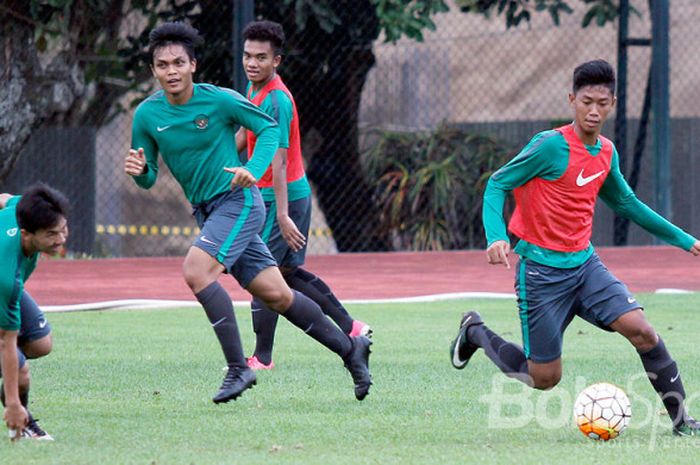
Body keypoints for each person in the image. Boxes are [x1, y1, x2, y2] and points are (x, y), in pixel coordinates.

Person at [449, 59, 700, 436]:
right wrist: (496, 235)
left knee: (643, 331)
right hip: (540, 274)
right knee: (544, 378)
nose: (594, 110)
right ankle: (476, 332)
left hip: (585, 267)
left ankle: (683, 423)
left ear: (612, 103)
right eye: (586, 101)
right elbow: (497, 183)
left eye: (602, 102)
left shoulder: (606, 153)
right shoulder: (549, 146)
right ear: (572, 100)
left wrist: (686, 240)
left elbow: (628, 203)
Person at [125, 21, 372, 403]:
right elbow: (150, 174)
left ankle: (239, 369)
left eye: (178, 62)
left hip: (238, 202)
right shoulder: (146, 115)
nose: (170, 71)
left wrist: (253, 171)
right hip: (207, 211)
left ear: (193, 65)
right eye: (162, 65)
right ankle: (349, 350)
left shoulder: (220, 99)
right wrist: (142, 173)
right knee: (277, 295)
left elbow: (270, 129)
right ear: (154, 70)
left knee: (196, 270)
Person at [234, 20, 371, 371]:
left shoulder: (277, 99)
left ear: (276, 61)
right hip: (276, 196)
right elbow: (243, 136)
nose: (252, 63)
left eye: (261, 58)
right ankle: (352, 327)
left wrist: (281, 215)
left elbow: (278, 161)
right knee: (289, 274)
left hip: (283, 198)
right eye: (247, 55)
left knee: (262, 276)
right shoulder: (254, 89)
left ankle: (262, 358)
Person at [0, 183, 69, 440]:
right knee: (20, 371)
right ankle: (23, 419)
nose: (61, 239)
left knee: (41, 343)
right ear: (26, 234)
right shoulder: (5, 276)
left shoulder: (23, 209)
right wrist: (13, 403)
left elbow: (5, 199)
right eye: (52, 234)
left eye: (63, 229)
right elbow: (6, 341)